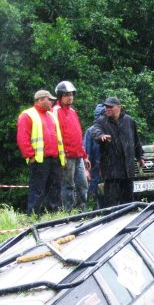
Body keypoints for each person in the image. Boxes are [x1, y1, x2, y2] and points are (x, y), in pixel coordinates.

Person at [16, 89, 65, 215]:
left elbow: (58, 138)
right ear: (40, 100)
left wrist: (61, 158)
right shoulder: (28, 115)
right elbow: (23, 138)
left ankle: (53, 216)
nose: (52, 102)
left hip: (55, 159)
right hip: (39, 160)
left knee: (55, 190)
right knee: (37, 190)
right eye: (50, 99)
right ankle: (33, 216)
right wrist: (30, 156)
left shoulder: (51, 115)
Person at [93, 97, 144, 206]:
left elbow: (136, 141)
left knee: (129, 203)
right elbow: (95, 131)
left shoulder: (129, 121)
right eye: (106, 107)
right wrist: (101, 136)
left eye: (111, 106)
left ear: (119, 107)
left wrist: (140, 157)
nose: (108, 109)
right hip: (111, 172)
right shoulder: (101, 121)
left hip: (127, 171)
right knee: (112, 204)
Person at [53, 80, 89, 212]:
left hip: (78, 155)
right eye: (67, 95)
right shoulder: (56, 111)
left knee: (83, 185)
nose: (70, 97)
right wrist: (61, 155)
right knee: (68, 186)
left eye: (72, 94)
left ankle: (81, 211)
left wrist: (85, 155)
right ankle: (67, 213)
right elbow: (56, 134)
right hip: (66, 155)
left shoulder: (73, 112)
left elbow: (78, 135)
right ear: (60, 96)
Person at [83, 102, 106, 209]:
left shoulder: (112, 128)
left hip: (109, 169)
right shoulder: (90, 131)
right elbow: (86, 153)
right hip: (95, 170)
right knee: (97, 196)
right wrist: (86, 170)